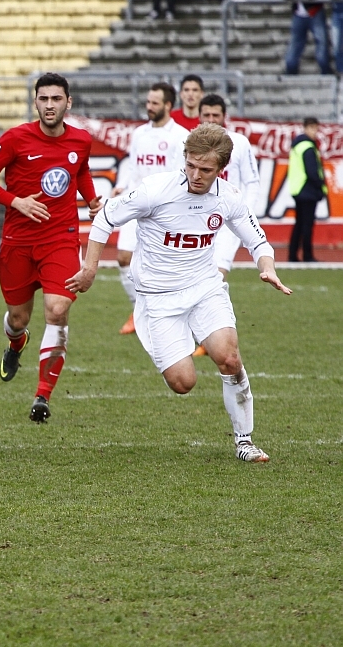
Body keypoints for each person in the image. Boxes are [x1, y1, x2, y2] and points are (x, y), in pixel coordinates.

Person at [67, 123, 292, 463]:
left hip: (204, 289)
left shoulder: (228, 197)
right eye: (190, 165)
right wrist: (89, 269)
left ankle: (245, 441)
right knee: (183, 383)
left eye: (205, 169)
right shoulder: (156, 189)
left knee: (229, 358)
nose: (196, 175)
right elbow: (105, 219)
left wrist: (268, 267)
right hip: (158, 299)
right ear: (184, 158)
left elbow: (257, 239)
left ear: (220, 169)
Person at [0, 73, 103, 422]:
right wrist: (14, 201)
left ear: (68, 102)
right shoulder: (14, 139)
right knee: (18, 318)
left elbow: (79, 170)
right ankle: (15, 342)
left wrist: (92, 198)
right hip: (18, 242)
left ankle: (42, 395)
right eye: (43, 99)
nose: (50, 105)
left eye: (56, 99)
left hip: (61, 239)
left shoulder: (81, 140)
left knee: (57, 310)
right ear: (35, 102)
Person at [111, 82, 189, 335]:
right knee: (124, 258)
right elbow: (132, 167)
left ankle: (168, 314)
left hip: (163, 209)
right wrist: (121, 186)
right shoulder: (139, 134)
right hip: (136, 203)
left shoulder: (180, 136)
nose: (149, 107)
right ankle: (138, 312)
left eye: (154, 103)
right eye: (147, 102)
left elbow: (181, 174)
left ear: (168, 105)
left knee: (161, 265)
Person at [190, 93, 263, 358]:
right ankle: (202, 332)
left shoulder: (239, 144)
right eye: (206, 115)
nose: (211, 120)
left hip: (226, 224)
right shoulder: (191, 144)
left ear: (224, 117)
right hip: (196, 224)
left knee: (216, 275)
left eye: (215, 115)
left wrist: (245, 214)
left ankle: (210, 336)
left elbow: (252, 183)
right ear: (199, 117)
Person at [287, 117, 326, 262]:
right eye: (313, 128)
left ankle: (292, 255)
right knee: (307, 225)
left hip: (298, 189)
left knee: (299, 224)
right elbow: (312, 170)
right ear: (307, 128)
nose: (315, 132)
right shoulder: (308, 146)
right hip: (307, 189)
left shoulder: (298, 145)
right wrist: (320, 186)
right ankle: (307, 255)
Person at [283, 0, 331, 75]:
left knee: (321, 41)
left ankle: (325, 70)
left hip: (315, 13)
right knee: (295, 44)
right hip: (298, 14)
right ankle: (291, 70)